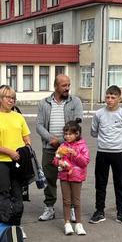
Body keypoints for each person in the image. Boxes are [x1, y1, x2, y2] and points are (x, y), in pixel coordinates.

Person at [0, 85, 32, 235]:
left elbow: (27, 138)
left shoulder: (18, 117)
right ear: (0, 98)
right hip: (0, 162)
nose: (11, 100)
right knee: (4, 195)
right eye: (8, 97)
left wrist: (24, 150)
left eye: (13, 98)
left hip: (18, 162)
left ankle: (17, 226)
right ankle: (5, 227)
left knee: (17, 195)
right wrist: (10, 152)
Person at [36, 75, 83, 221]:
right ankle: (49, 208)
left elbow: (76, 126)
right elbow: (39, 125)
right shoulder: (44, 103)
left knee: (71, 178)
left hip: (69, 149)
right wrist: (51, 139)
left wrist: (61, 141)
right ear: (56, 86)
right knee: (49, 179)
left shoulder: (75, 102)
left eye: (68, 85)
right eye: (64, 85)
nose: (67, 88)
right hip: (49, 148)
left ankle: (72, 209)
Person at [89, 85, 122, 226]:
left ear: (119, 98)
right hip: (102, 153)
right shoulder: (99, 114)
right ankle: (99, 211)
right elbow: (93, 132)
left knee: (119, 183)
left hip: (119, 153)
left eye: (113, 97)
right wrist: (104, 140)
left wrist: (121, 140)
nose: (109, 100)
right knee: (100, 183)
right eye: (107, 97)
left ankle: (121, 213)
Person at [53, 119, 90, 236]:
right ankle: (67, 223)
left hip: (77, 177)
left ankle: (79, 224)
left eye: (70, 134)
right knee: (66, 201)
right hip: (64, 176)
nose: (67, 136)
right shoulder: (62, 146)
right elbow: (56, 159)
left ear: (77, 134)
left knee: (76, 202)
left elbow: (84, 162)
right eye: (65, 134)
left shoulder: (82, 146)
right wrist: (58, 162)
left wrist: (75, 154)